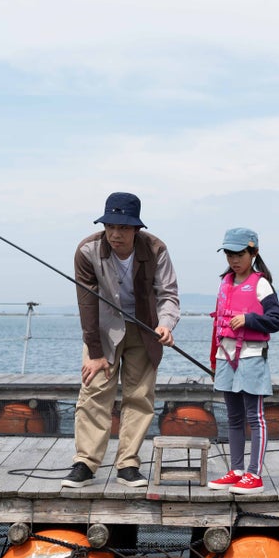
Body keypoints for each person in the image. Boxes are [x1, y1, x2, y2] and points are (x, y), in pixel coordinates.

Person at [62, 192, 180, 490]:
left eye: (124, 228)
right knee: (94, 391)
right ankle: (85, 463)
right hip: (101, 328)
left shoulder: (156, 249)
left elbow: (168, 294)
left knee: (139, 395)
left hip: (144, 329)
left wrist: (165, 325)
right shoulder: (87, 251)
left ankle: (128, 463)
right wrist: (94, 352)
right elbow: (86, 304)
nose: (115, 233)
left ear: (136, 229)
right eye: (110, 226)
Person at [206, 228, 279, 493]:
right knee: (233, 417)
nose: (234, 259)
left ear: (253, 253)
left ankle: (255, 474)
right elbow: (218, 327)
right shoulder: (225, 282)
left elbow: (277, 321)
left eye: (239, 254)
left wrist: (250, 319)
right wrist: (214, 361)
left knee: (255, 416)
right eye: (229, 254)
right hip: (225, 356)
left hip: (251, 356)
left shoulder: (261, 284)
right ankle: (236, 470)